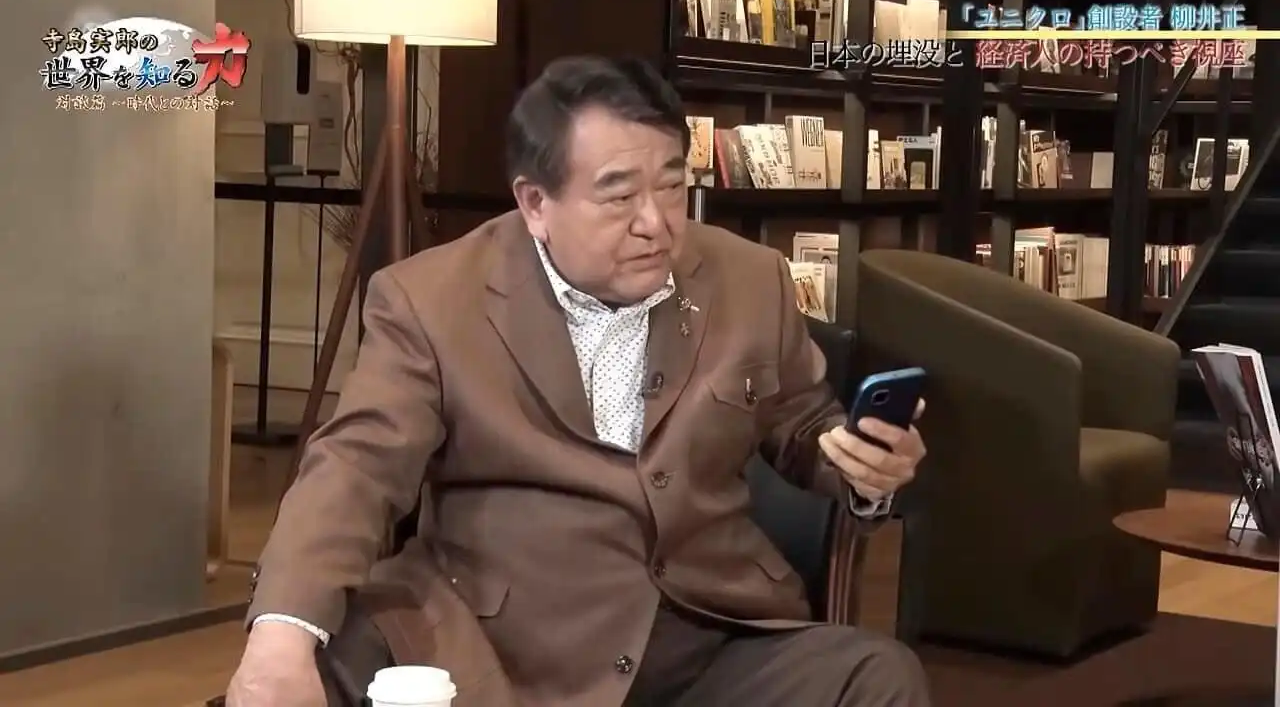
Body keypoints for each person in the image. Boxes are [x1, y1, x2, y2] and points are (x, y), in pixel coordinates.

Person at [227, 55, 929, 707]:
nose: (655, 224)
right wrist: (281, 636)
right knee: (331, 659)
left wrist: (865, 466)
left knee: (877, 676)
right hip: (500, 646)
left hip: (708, 635)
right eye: (618, 196)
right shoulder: (431, 300)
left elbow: (806, 425)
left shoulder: (751, 278)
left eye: (672, 187)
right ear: (536, 203)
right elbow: (355, 467)